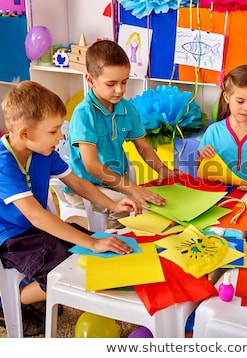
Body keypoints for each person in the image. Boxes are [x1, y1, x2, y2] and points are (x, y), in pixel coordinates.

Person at [0, 81, 141, 335]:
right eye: (54, 131)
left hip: (34, 229)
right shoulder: (3, 163)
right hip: (9, 238)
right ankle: (11, 299)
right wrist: (93, 244)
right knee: (66, 266)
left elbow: (76, 182)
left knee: (88, 245)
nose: (61, 136)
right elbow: (36, 216)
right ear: (24, 134)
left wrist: (112, 204)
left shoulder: (43, 150)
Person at [66, 40, 176, 226]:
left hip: (115, 182)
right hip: (85, 187)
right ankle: (105, 240)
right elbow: (92, 165)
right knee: (130, 207)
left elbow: (143, 146)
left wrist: (161, 168)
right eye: (111, 84)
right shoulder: (84, 114)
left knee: (153, 206)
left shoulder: (127, 108)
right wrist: (133, 189)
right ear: (91, 80)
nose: (120, 90)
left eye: (124, 82)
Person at [196, 65, 247, 197]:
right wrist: (203, 156)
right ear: (227, 97)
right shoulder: (214, 131)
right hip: (219, 196)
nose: (246, 108)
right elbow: (199, 164)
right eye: (240, 101)